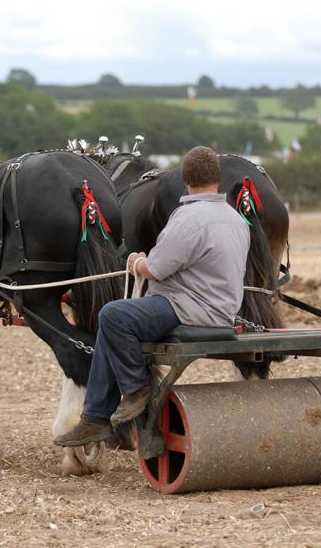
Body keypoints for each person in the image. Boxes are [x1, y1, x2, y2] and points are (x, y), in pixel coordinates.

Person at [54, 146, 251, 447]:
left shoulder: (188, 218)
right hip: (222, 309)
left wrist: (136, 262)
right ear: (217, 178)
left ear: (186, 178)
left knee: (113, 314)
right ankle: (94, 418)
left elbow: (156, 270)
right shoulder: (234, 218)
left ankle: (135, 390)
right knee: (114, 323)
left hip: (188, 307)